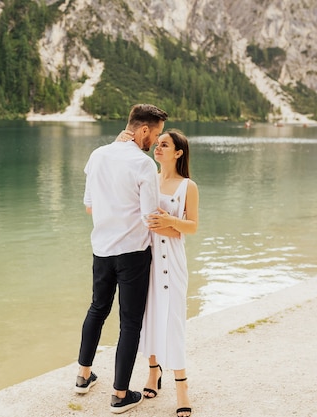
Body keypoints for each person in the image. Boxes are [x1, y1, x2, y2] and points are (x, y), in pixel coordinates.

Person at [75, 104, 168, 414]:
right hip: (132, 254)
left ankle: (84, 376)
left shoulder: (97, 156)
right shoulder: (143, 166)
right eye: (155, 135)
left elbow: (89, 206)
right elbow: (150, 217)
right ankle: (119, 394)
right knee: (129, 323)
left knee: (97, 308)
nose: (155, 142)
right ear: (142, 130)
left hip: (101, 249)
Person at [139, 129, 199, 417]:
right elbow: (143, 220)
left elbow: (192, 227)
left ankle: (182, 387)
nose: (158, 148)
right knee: (148, 317)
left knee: (174, 320)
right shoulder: (148, 180)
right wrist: (166, 227)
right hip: (147, 259)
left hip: (173, 262)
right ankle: (153, 373)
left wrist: (169, 222)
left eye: (165, 145)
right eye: (157, 144)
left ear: (178, 153)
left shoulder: (188, 186)